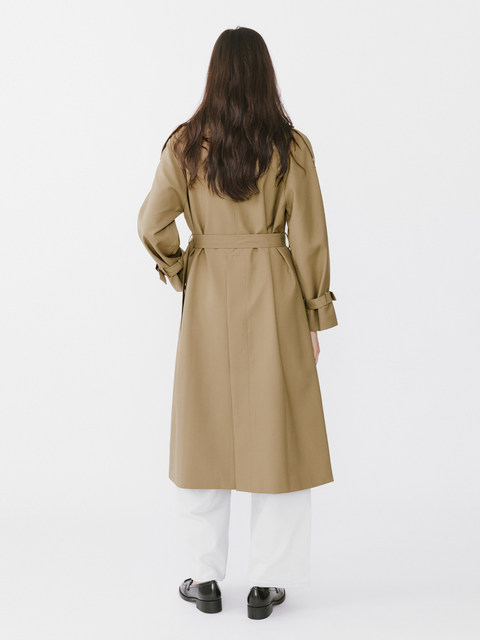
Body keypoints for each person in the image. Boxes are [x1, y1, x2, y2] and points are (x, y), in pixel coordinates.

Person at [137, 26, 338, 620]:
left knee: (203, 429)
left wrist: (181, 270)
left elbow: (151, 223)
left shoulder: (184, 145)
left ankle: (204, 578)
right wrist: (315, 314)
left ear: (215, 76)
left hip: (207, 297)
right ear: (265, 76)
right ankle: (266, 583)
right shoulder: (289, 147)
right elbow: (309, 237)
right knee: (279, 432)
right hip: (274, 294)